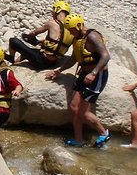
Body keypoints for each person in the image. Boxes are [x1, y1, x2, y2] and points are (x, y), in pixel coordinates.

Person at [44, 13, 111, 148]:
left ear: (79, 26)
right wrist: (59, 71)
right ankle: (79, 139)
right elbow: (74, 58)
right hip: (83, 74)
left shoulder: (92, 36)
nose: (71, 32)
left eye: (72, 29)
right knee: (74, 108)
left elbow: (105, 56)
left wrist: (93, 73)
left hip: (96, 76)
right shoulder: (77, 38)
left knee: (84, 112)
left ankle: (104, 133)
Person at [6, 0, 74, 70]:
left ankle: (11, 58)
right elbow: (58, 42)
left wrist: (29, 37)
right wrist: (40, 42)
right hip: (54, 61)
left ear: (58, 9)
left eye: (53, 10)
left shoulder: (52, 23)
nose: (52, 12)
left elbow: (33, 33)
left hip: (40, 61)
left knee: (13, 41)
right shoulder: (71, 29)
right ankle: (14, 64)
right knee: (26, 53)